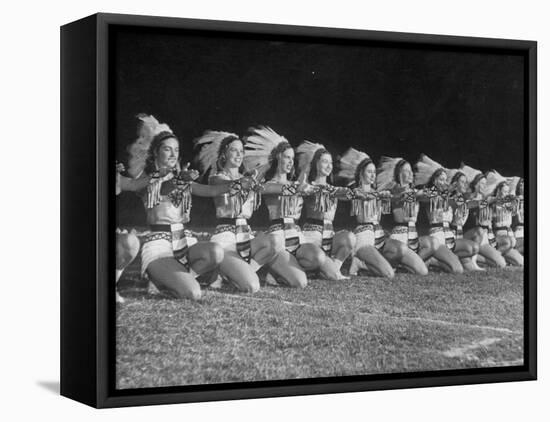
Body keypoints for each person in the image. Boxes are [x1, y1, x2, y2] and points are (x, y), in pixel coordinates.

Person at [124, 115, 251, 300]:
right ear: (155, 153)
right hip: (160, 247)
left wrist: (239, 184)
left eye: (176, 149)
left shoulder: (183, 181)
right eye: (167, 149)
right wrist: (179, 180)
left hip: (184, 241)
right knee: (192, 293)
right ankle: (158, 276)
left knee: (215, 252)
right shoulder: (146, 180)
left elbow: (211, 190)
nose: (173, 154)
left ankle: (174, 279)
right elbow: (165, 188)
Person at [195, 130, 279, 293]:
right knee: (251, 286)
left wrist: (294, 188)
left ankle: (234, 272)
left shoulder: (249, 179)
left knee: (275, 241)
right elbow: (227, 185)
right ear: (224, 154)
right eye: (234, 150)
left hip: (246, 236)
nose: (239, 154)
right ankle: (230, 271)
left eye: (241, 151)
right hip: (226, 240)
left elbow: (269, 187)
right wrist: (245, 182)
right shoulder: (216, 178)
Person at [244, 126, 326, 287]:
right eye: (287, 157)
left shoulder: (296, 184)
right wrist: (296, 188)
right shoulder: (267, 184)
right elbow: (272, 189)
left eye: (292, 158)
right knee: (300, 283)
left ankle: (276, 272)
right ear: (277, 158)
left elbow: (311, 188)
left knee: (318, 258)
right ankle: (271, 267)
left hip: (296, 235)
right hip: (279, 238)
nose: (290, 162)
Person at [338, 148, 428, 277]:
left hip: (380, 237)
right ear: (361, 173)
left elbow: (397, 196)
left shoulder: (380, 192)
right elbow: (354, 195)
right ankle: (360, 261)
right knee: (389, 274)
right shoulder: (355, 191)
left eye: (374, 172)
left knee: (422, 270)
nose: (373, 175)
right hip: (364, 239)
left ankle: (373, 263)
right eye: (369, 172)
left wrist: (409, 195)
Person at [296, 141, 357, 280]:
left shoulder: (333, 189)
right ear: (316, 163)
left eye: (330, 163)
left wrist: (355, 193)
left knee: (350, 238)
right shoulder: (310, 186)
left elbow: (346, 194)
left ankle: (332, 267)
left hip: (329, 236)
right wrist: (305, 175)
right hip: (312, 238)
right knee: (333, 275)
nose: (328, 166)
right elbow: (301, 188)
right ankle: (312, 266)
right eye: (324, 162)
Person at [414, 154, 481, 273]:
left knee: (473, 248)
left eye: (445, 180)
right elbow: (422, 196)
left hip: (450, 236)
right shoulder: (429, 194)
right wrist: (446, 192)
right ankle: (436, 259)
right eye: (441, 179)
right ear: (434, 180)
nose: (444, 182)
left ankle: (440, 259)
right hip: (437, 236)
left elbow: (465, 203)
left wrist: (484, 201)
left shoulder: (450, 197)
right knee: (457, 269)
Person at [377, 156, 436, 267]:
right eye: (406, 171)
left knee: (433, 243)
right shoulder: (394, 190)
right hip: (400, 236)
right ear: (399, 174)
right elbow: (399, 195)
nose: (410, 174)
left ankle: (408, 264)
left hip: (413, 235)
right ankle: (404, 262)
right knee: (421, 269)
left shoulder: (415, 192)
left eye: (411, 171)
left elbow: (429, 196)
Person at [460, 164, 506, 268]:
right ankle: (473, 262)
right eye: (482, 184)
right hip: (469, 235)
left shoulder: (486, 198)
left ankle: (475, 258)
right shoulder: (467, 196)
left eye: (485, 184)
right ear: (476, 184)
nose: (484, 187)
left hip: (484, 239)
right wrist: (485, 202)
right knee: (479, 231)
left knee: (500, 263)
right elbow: (469, 204)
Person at [484, 171, 523, 266]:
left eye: (507, 191)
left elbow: (513, 205)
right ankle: (493, 257)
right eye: (504, 191)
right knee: (508, 242)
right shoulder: (493, 200)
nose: (506, 194)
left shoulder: (509, 202)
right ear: (498, 191)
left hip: (509, 232)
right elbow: (488, 200)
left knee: (520, 262)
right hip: (499, 233)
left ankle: (504, 258)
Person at [509, 177, 525, 254]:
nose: (522, 187)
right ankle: (512, 253)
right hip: (519, 229)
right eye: (521, 185)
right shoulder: (516, 200)